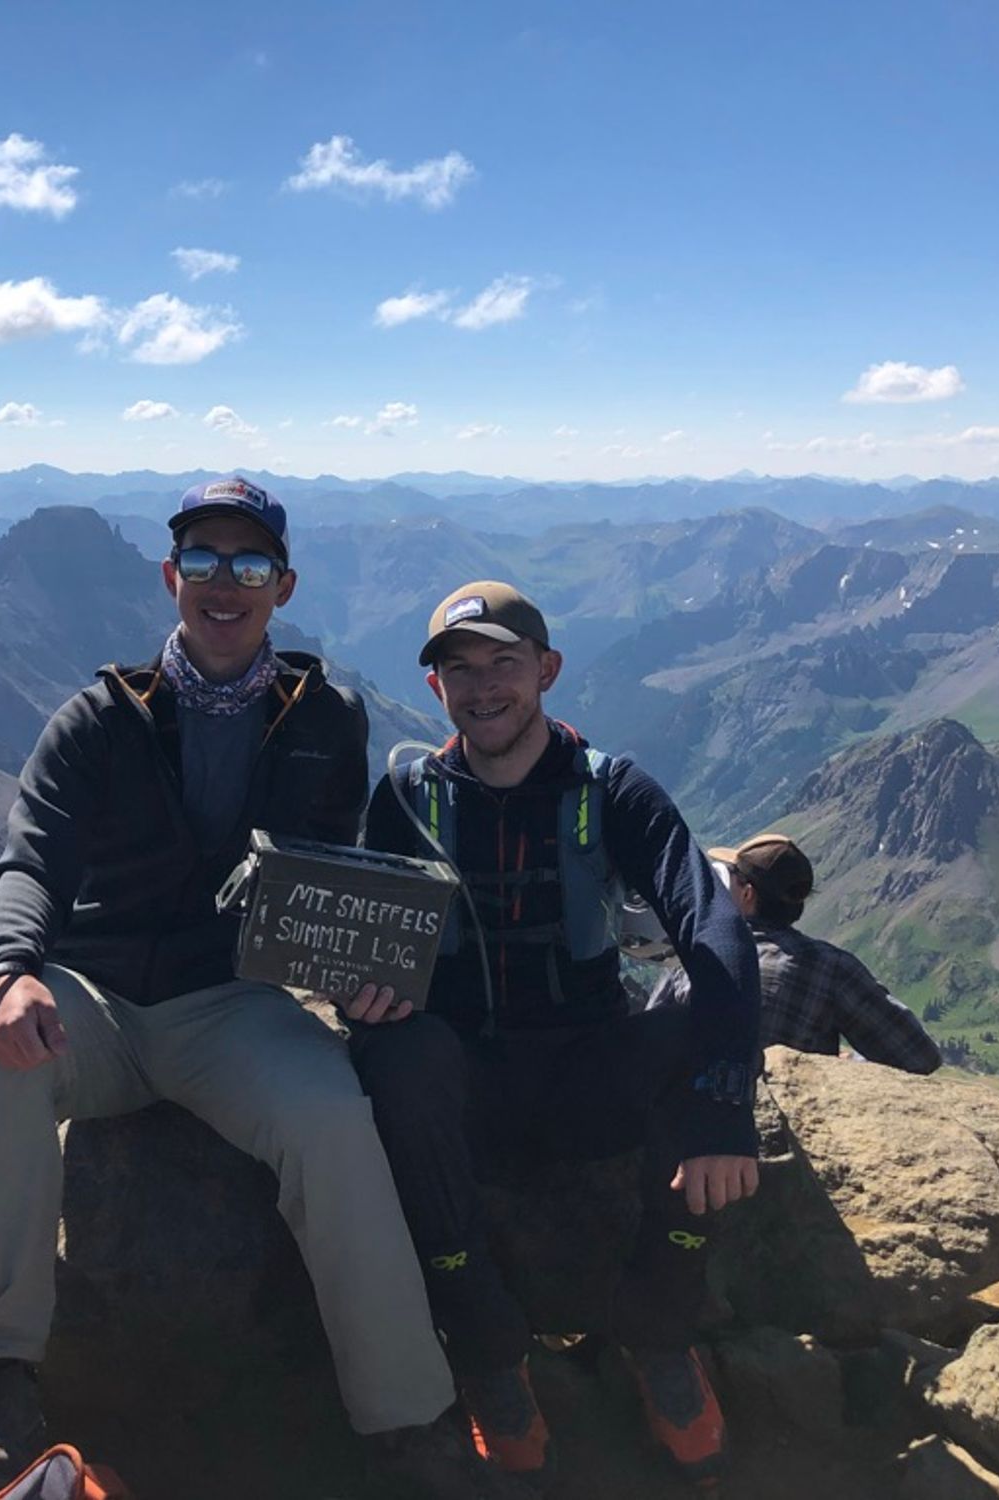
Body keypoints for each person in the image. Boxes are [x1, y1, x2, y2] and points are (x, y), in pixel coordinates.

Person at [0, 480, 527, 1500]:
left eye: (248, 566)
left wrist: (368, 978)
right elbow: (27, 860)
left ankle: (409, 1421)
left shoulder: (327, 719)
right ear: (171, 579)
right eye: (202, 562)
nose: (223, 584)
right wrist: (11, 972)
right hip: (94, 994)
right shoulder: (95, 719)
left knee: (334, 1118)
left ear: (281, 587)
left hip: (231, 1004)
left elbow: (337, 875)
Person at [338, 581, 762, 1488]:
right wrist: (361, 998)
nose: (484, 688)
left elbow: (712, 923)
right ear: (436, 688)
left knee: (693, 1025)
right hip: (466, 1089)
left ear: (547, 671)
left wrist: (726, 1101)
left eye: (504, 664)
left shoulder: (613, 789)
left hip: (586, 1073)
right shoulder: (408, 794)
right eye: (460, 670)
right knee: (394, 1055)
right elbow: (364, 934)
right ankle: (490, 1345)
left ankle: (657, 1331)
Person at [697, 833, 941, 1074]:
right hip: (779, 1108)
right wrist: (849, 1066)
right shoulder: (831, 968)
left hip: (689, 1105)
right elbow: (920, 1056)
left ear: (747, 894)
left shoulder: (701, 950)